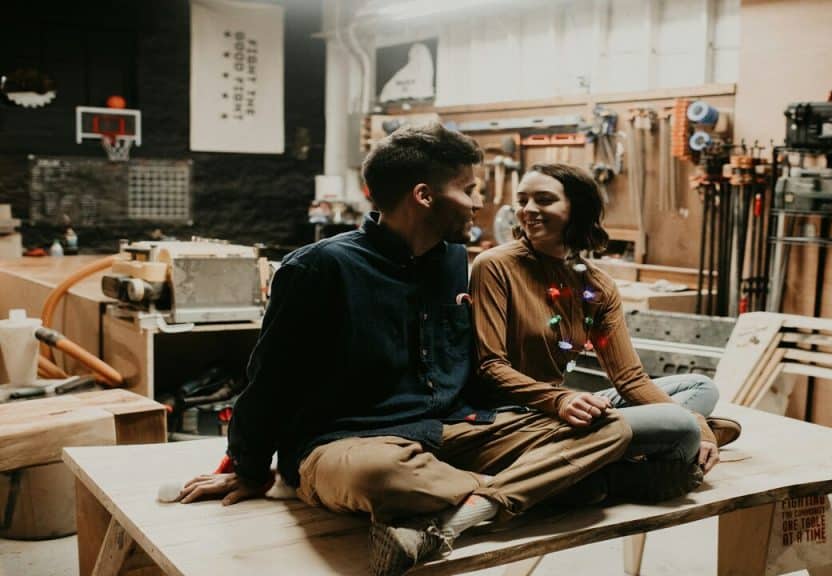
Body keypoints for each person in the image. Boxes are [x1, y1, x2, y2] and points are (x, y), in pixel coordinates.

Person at [174, 127, 632, 576]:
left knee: (609, 430)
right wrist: (250, 467)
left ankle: (476, 508)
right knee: (383, 475)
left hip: (449, 432)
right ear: (424, 196)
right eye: (469, 189)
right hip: (347, 444)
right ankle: (535, 488)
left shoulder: (454, 261)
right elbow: (270, 380)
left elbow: (466, 366)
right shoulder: (319, 268)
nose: (480, 202)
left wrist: (535, 413)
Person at [470, 162, 741, 502]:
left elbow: (628, 379)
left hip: (568, 406)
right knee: (681, 427)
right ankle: (628, 462)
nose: (528, 211)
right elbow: (490, 367)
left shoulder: (597, 285)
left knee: (700, 387)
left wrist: (701, 428)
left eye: (543, 200)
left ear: (577, 209)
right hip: (516, 415)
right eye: (522, 200)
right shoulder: (495, 266)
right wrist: (562, 399)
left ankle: (639, 441)